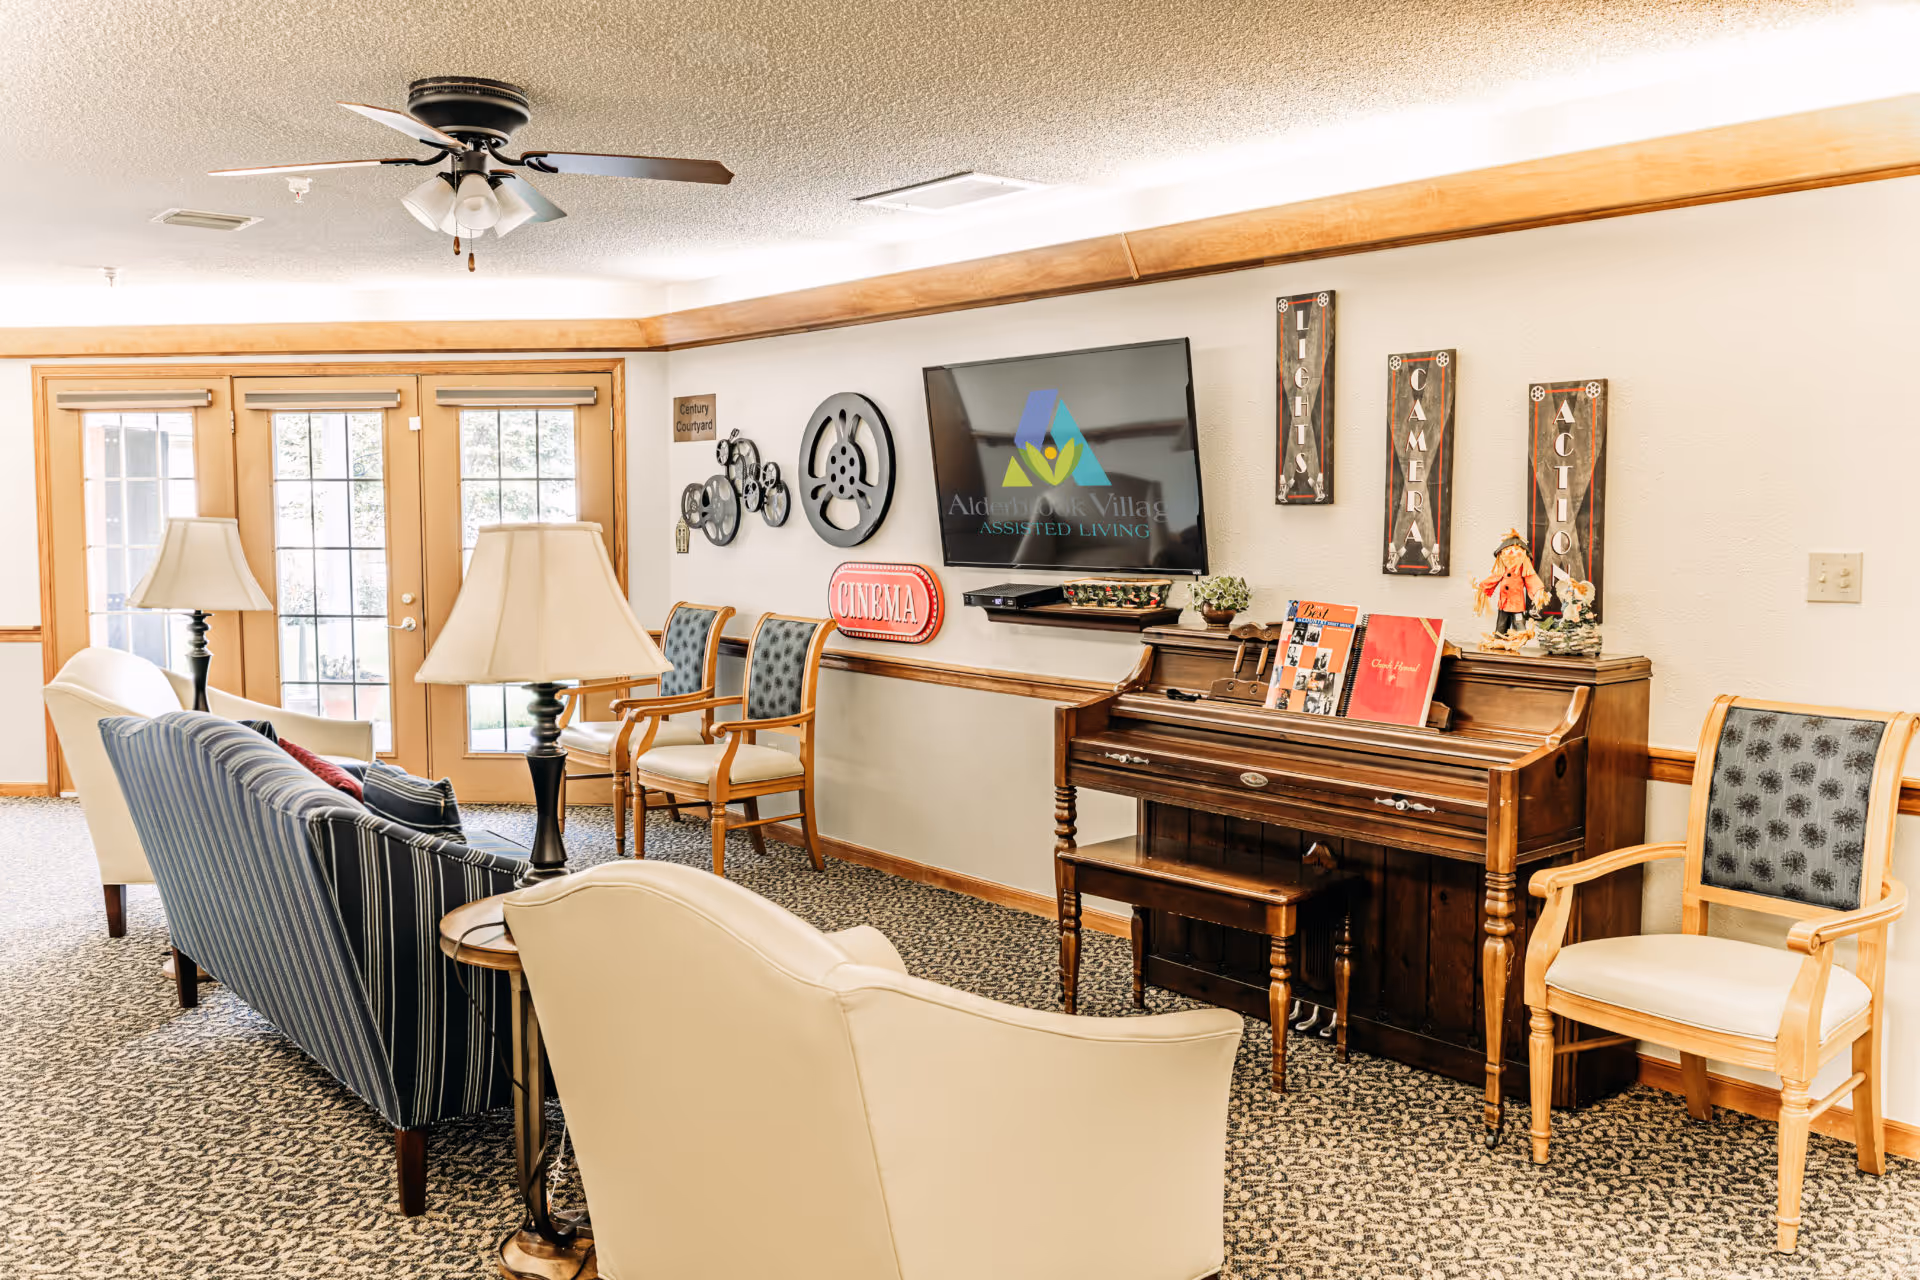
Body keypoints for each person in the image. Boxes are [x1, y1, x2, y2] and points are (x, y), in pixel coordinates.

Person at [1472, 528, 1547, 637]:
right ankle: (1499, 640)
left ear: (1523, 554)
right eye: (1508, 549)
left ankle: (1519, 639)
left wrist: (1538, 591)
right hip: (1504, 604)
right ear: (1501, 553)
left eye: (1516, 549)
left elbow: (1531, 578)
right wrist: (1482, 588)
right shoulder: (1502, 570)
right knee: (1501, 626)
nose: (1512, 552)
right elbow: (1493, 579)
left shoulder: (1524, 569)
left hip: (1517, 605)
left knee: (1519, 626)